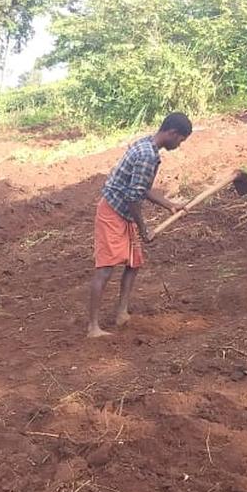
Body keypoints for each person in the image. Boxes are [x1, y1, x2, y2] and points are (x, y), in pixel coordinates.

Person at [86, 112, 191, 339]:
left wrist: (169, 205)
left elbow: (141, 188)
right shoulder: (146, 156)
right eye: (181, 140)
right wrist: (143, 230)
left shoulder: (147, 144)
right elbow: (135, 197)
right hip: (113, 211)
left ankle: (121, 313)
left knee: (134, 263)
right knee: (105, 269)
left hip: (123, 212)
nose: (179, 145)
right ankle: (93, 327)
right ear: (172, 133)